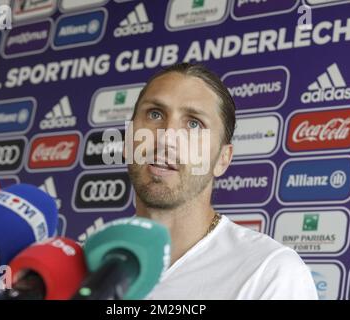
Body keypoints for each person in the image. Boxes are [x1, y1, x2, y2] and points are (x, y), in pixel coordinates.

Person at [125, 62, 318, 300]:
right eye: (155, 114)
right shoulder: (83, 267)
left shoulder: (268, 273)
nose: (167, 138)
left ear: (222, 160)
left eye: (194, 123)